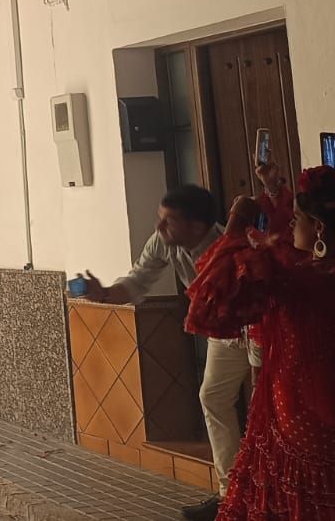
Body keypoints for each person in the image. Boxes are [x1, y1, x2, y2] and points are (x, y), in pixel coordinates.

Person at [78, 185, 243, 521]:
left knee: (270, 409)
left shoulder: (229, 249)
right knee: (212, 397)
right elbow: (138, 280)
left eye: (168, 222)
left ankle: (267, 493)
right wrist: (105, 293)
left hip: (255, 329)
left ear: (196, 227)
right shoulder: (166, 243)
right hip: (221, 333)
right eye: (160, 219)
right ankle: (232, 497)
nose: (158, 228)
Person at [185, 166, 335, 521]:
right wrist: (274, 197)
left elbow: (210, 305)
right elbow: (281, 243)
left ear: (318, 227)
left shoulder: (298, 280)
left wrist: (237, 222)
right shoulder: (312, 271)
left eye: (297, 218)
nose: (289, 226)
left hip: (300, 420)